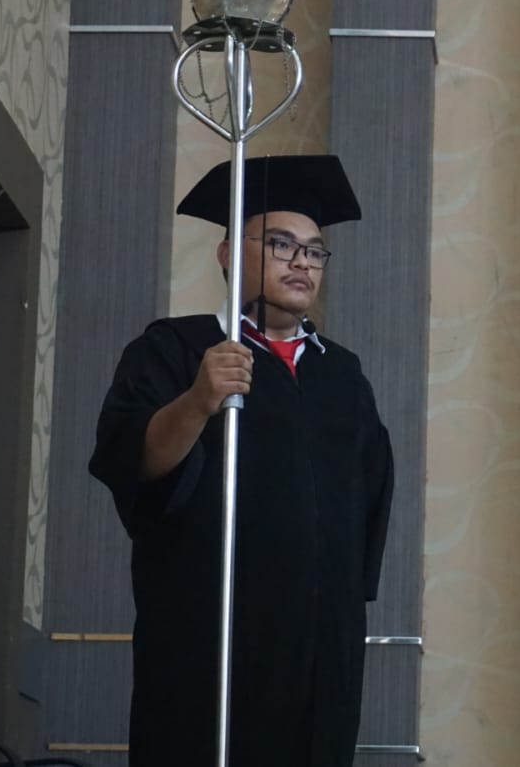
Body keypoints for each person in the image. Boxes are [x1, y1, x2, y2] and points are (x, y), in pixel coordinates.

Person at [89, 154, 394, 767]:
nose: (302, 261)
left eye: (314, 250)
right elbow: (134, 464)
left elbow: (369, 498)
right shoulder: (174, 347)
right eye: (281, 244)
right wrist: (200, 400)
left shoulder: (343, 372)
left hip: (319, 642)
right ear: (229, 254)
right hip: (211, 631)